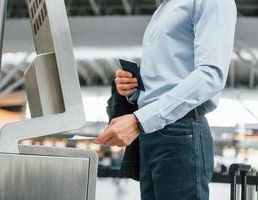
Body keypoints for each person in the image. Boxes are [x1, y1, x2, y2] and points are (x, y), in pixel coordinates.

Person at [94, 0, 237, 199]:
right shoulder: (163, 9)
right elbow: (167, 80)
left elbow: (210, 75)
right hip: (150, 131)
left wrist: (140, 120)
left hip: (181, 131)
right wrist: (133, 90)